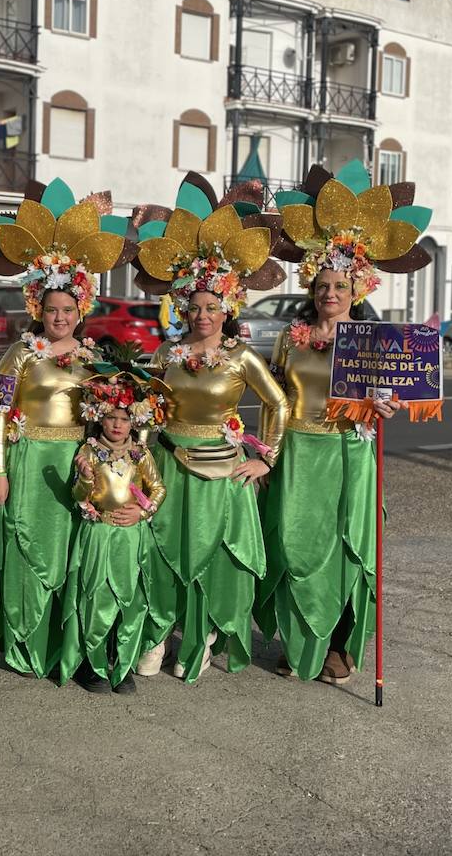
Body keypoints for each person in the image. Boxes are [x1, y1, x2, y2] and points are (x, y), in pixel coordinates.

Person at [254, 160, 433, 684]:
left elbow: (391, 398)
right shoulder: (291, 337)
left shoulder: (375, 342)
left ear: (357, 289)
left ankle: (337, 646)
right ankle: (298, 638)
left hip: (350, 454)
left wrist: (387, 408)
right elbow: (275, 398)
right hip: (298, 454)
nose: (329, 293)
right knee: (293, 547)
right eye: (322, 285)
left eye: (339, 285)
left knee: (345, 549)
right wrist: (266, 453)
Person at [130, 175, 290, 681]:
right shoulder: (166, 353)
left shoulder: (242, 356)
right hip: (168, 467)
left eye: (211, 306)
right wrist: (134, 449)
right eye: (194, 307)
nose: (202, 315)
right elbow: (144, 404)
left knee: (211, 559)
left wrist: (266, 456)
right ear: (183, 309)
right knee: (161, 552)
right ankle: (156, 635)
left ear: (228, 308)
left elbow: (279, 404)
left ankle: (200, 638)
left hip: (223, 473)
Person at [0, 178, 131, 678]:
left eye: (68, 310)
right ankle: (29, 644)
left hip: (78, 466)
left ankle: (77, 648)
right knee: (29, 549)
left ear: (81, 311)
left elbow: (113, 416)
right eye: (51, 309)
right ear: (36, 307)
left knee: (76, 556)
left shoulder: (94, 359)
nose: (59, 317)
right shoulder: (18, 354)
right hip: (30, 463)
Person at [60, 371, 167, 693]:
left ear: (134, 420)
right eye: (110, 418)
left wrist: (144, 509)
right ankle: (90, 664)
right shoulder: (88, 452)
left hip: (131, 536)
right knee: (96, 596)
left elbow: (158, 488)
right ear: (98, 418)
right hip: (99, 533)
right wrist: (86, 479)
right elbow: (77, 497)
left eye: (123, 418)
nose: (117, 425)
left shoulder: (141, 454)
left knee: (129, 599)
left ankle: (120, 661)